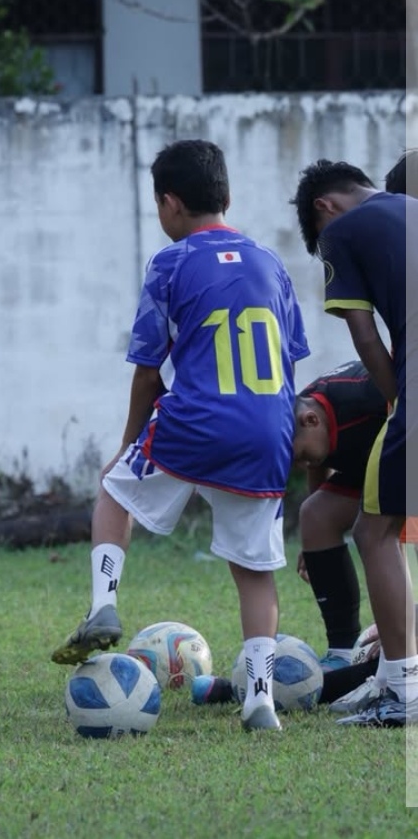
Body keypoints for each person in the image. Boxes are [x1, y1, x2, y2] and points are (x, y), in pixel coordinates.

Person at [50, 140, 310, 733]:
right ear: (227, 195)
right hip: (269, 430)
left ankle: (104, 604)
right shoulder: (271, 263)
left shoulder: (170, 264)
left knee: (116, 493)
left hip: (196, 419)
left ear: (169, 204)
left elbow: (148, 370)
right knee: (254, 571)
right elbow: (289, 357)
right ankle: (260, 700)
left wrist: (126, 444)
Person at [291, 159, 417, 727]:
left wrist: (396, 398)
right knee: (378, 525)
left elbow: (364, 334)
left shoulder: (340, 232)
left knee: (374, 528)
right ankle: (392, 676)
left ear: (325, 207)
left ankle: (405, 690)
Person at [291, 360, 389, 670]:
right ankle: (342, 652)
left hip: (404, 457)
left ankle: (401, 638)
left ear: (311, 420)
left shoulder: (365, 395)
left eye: (302, 456)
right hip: (370, 466)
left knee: (379, 530)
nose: (304, 465)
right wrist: (316, 549)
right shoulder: (307, 411)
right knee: (315, 514)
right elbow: (318, 466)